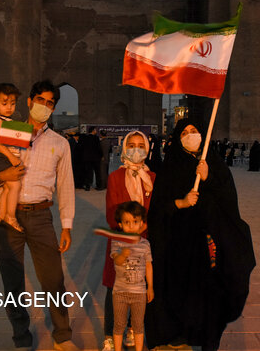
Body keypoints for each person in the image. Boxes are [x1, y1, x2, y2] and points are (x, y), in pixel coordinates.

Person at [0, 80, 79, 351]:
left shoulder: (59, 143)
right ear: (29, 101)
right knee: (12, 281)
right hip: (7, 214)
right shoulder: (12, 130)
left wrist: (67, 225)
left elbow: (65, 185)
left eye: (50, 103)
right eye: (40, 100)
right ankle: (22, 338)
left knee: (53, 279)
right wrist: (2, 176)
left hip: (40, 216)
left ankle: (62, 336)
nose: (44, 106)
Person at [145, 119, 255, 351]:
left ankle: (208, 336)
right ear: (177, 138)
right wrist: (180, 203)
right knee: (182, 290)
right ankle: (179, 333)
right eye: (185, 132)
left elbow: (228, 199)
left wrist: (209, 178)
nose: (190, 135)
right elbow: (158, 209)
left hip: (210, 239)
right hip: (180, 242)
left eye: (194, 131)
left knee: (212, 292)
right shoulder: (171, 166)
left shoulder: (213, 162)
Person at [102, 130, 155, 351]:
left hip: (143, 241)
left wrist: (142, 229)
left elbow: (155, 211)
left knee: (139, 289)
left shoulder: (152, 179)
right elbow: (111, 212)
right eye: (131, 145)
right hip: (121, 241)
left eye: (140, 145)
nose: (136, 149)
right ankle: (110, 335)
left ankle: (134, 330)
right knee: (114, 287)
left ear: (147, 149)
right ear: (124, 148)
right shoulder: (115, 177)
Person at [110, 201, 153, 351]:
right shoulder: (117, 241)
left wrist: (150, 287)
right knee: (119, 324)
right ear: (120, 225)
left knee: (138, 325)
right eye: (127, 222)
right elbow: (117, 260)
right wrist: (123, 255)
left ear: (141, 223)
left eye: (135, 222)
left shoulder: (145, 244)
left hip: (139, 292)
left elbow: (148, 265)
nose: (131, 225)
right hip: (120, 292)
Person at [0, 83, 25, 233]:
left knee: (6, 189)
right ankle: (11, 216)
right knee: (15, 186)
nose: (9, 107)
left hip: (6, 157)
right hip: (2, 158)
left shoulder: (10, 122)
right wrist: (12, 158)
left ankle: (2, 214)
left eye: (12, 103)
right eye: (4, 103)